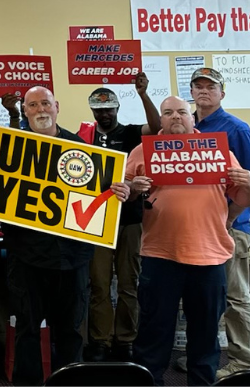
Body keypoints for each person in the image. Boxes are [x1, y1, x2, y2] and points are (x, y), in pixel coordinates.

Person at [0, 86, 130, 385]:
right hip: (25, 256)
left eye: (45, 103)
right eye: (33, 105)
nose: (40, 109)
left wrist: (118, 192)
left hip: (72, 257)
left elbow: (102, 196)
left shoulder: (81, 147)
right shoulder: (10, 145)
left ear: (56, 106)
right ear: (25, 109)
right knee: (27, 329)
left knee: (69, 330)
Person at [125, 95, 250, 386]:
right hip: (160, 255)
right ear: (161, 120)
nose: (175, 117)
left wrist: (235, 207)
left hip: (210, 256)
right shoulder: (142, 152)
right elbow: (124, 195)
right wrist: (132, 187)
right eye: (168, 113)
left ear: (192, 118)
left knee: (205, 338)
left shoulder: (217, 150)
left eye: (182, 112)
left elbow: (240, 196)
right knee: (154, 333)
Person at [84, 74, 162, 363]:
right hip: (95, 220)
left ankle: (126, 339)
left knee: (130, 282)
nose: (104, 114)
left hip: (130, 219)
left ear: (117, 109)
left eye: (109, 109)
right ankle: (100, 340)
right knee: (100, 284)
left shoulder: (130, 133)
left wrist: (143, 94)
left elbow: (157, 128)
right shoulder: (84, 138)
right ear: (92, 111)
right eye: (99, 109)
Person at [189, 67, 250, 379]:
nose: (203, 92)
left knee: (236, 297)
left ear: (222, 94)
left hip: (233, 226)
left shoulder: (237, 130)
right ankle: (205, 359)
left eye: (210, 87)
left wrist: (230, 218)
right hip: (201, 229)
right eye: (198, 86)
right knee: (207, 298)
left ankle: (243, 362)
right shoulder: (189, 127)